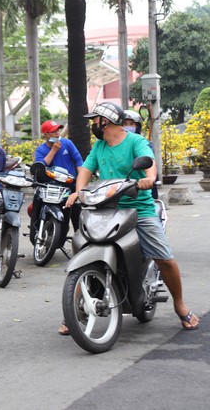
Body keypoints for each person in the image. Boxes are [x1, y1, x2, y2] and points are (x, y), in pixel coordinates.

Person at [63, 102, 199, 334]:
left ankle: (180, 305)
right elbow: (85, 170)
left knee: (164, 258)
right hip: (105, 208)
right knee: (81, 243)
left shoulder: (135, 142)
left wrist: (148, 178)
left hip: (138, 209)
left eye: (95, 120)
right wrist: (79, 190)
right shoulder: (99, 147)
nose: (93, 125)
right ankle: (77, 311)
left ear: (106, 121)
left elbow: (149, 163)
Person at [31, 120, 84, 240]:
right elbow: (41, 167)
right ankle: (36, 232)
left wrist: (82, 177)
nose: (57, 133)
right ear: (46, 134)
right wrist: (53, 151)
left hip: (69, 184)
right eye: (53, 131)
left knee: (77, 211)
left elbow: (78, 160)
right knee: (38, 204)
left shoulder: (67, 143)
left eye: (58, 130)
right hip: (50, 186)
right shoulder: (41, 150)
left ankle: (81, 240)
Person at [122, 109, 159, 199]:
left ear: (137, 126)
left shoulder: (142, 143)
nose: (128, 127)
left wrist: (150, 178)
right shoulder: (107, 143)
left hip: (140, 188)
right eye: (125, 124)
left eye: (131, 124)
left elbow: (149, 161)